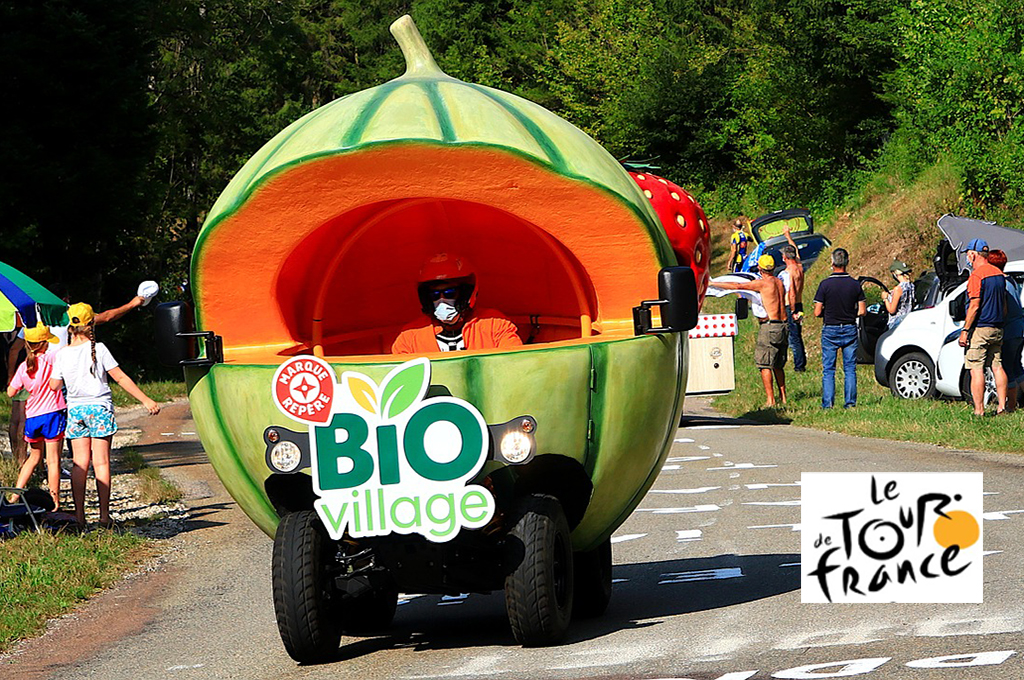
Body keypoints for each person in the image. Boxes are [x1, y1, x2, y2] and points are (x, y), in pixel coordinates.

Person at [50, 303, 160, 528]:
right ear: (91, 323)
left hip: (76, 411)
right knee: (101, 463)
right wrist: (146, 400)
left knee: (79, 463)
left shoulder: (62, 354)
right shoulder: (99, 349)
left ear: (70, 325)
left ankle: (79, 517)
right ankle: (103, 517)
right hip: (99, 409)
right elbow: (120, 378)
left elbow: (54, 385)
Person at [392, 253, 522, 354]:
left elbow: (514, 364)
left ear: (466, 293)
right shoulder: (410, 337)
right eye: (434, 295)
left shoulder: (495, 325)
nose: (442, 300)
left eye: (450, 293)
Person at [709, 254, 788, 407]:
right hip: (784, 325)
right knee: (778, 364)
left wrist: (713, 283)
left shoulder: (763, 284)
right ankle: (783, 397)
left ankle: (770, 400)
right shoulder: (779, 282)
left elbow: (738, 286)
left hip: (769, 326)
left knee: (764, 364)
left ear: (760, 268)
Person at [6, 323, 66, 510]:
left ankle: (15, 495)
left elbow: (10, 392)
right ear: (44, 344)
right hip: (53, 414)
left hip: (33, 417)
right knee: (53, 460)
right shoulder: (52, 359)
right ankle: (54, 501)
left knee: (33, 457)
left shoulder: (24, 367)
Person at [957, 240, 1008, 415]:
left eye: (968, 254)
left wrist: (965, 331)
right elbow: (1004, 305)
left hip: (980, 328)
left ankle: (979, 410)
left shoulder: (977, 276)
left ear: (973, 254)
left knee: (976, 368)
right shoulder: (999, 274)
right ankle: (1002, 406)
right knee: (997, 366)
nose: (968, 258)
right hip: (998, 327)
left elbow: (974, 305)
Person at [814, 248, 866, 409]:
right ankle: (850, 403)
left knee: (829, 369)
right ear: (847, 262)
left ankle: (828, 404)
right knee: (850, 368)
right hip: (849, 327)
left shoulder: (825, 285)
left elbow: (817, 312)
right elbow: (862, 310)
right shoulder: (854, 284)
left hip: (830, 329)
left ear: (832, 262)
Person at [988, 250, 1023, 412]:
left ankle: (1010, 406)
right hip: (1020, 328)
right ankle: (1017, 404)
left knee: (1007, 367)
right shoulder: (1012, 280)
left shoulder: (1001, 282)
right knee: (1017, 367)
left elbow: (1004, 308)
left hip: (1009, 329)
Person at [778, 242, 806, 372]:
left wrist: (793, 310)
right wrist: (788, 236)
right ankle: (801, 362)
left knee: (793, 338)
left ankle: (799, 366)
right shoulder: (799, 267)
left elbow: (792, 293)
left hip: (791, 305)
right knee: (797, 335)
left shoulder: (789, 272)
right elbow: (797, 252)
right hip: (799, 304)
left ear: (785, 257)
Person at [882, 260, 915, 329]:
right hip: (908, 318)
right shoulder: (911, 285)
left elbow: (892, 310)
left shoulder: (898, 289)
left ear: (895, 273)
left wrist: (885, 299)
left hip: (897, 322)